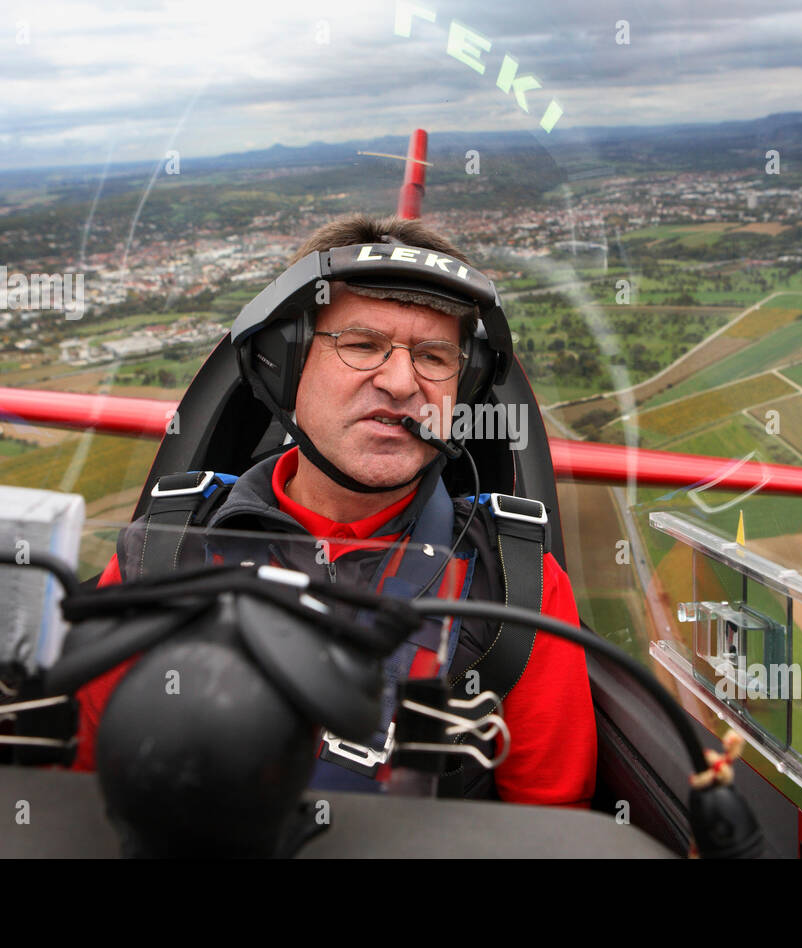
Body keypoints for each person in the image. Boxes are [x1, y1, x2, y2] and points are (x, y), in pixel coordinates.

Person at [72, 214, 596, 807]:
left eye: (434, 357)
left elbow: (555, 832)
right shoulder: (160, 555)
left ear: (465, 383)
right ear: (284, 362)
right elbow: (88, 801)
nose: (401, 383)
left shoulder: (519, 586)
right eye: (362, 345)